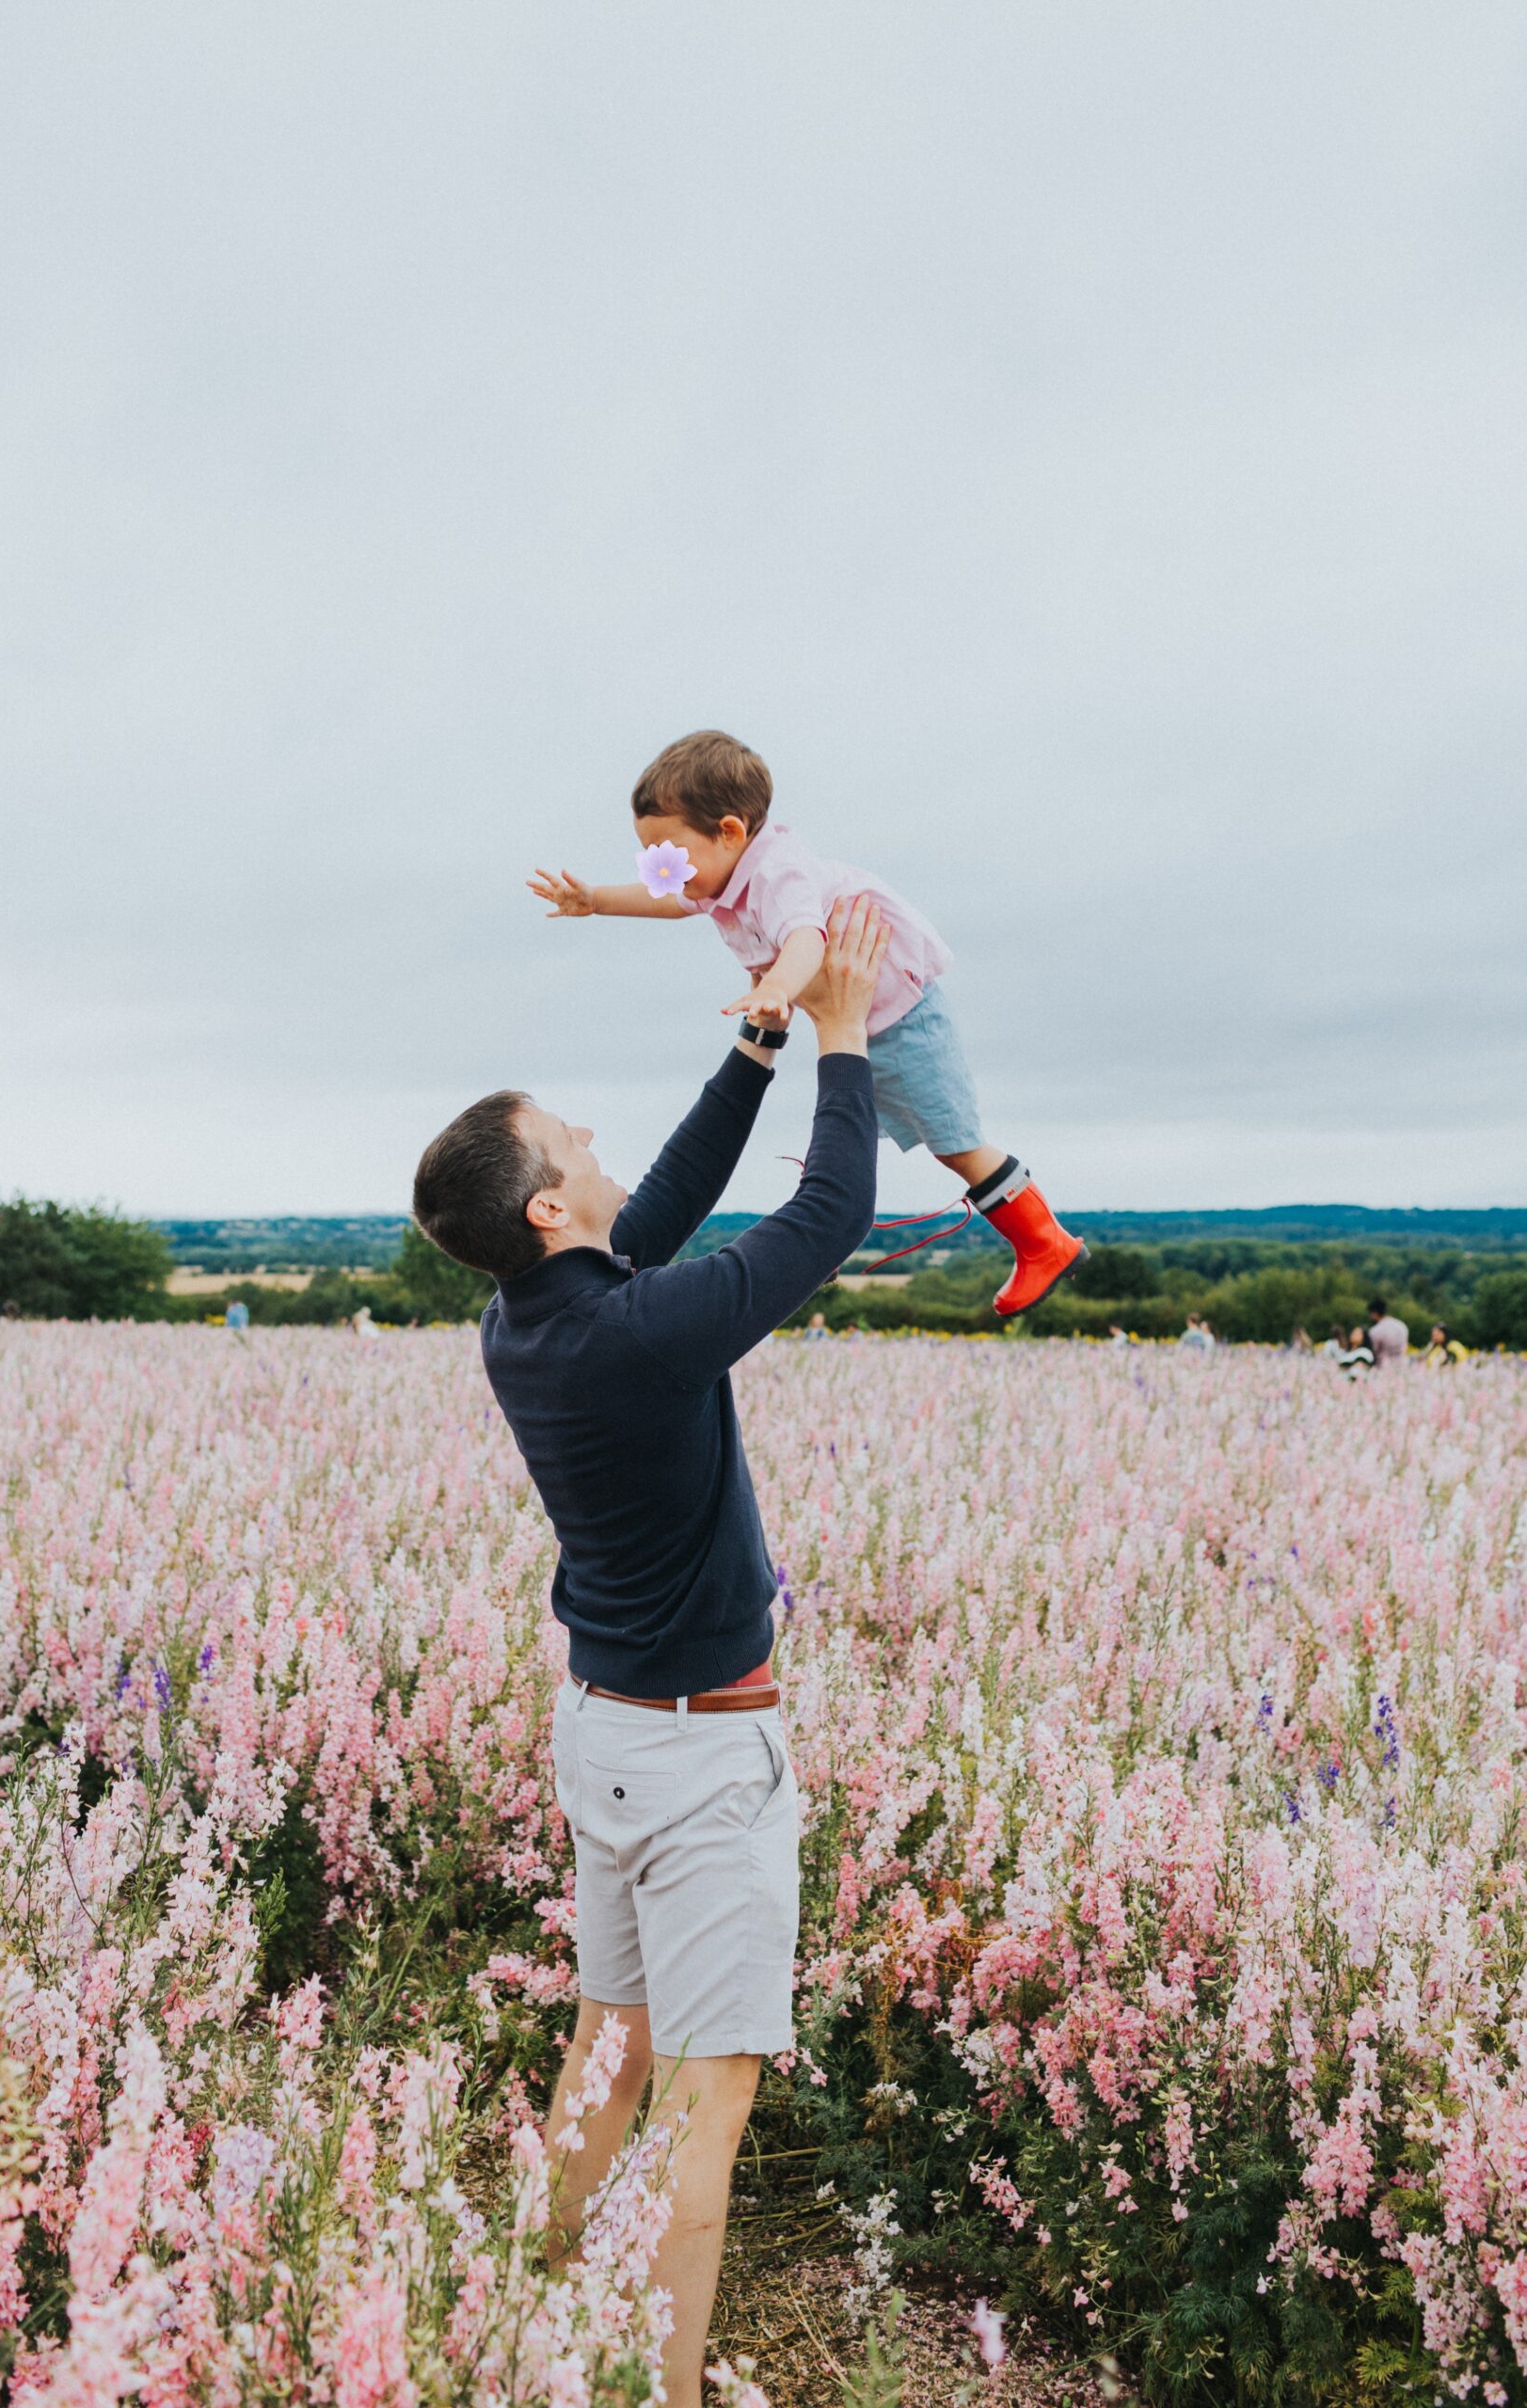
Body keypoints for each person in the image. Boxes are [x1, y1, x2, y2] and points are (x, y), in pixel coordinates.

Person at [411, 900, 889, 2408]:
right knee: (707, 2101)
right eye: (570, 1139)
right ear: (548, 1207)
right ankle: (658, 2394)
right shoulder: (628, 1336)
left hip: (608, 1739)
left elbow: (660, 1209)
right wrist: (842, 1035)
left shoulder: (528, 1320)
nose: (596, 1139)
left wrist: (752, 1033)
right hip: (695, 1759)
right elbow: (824, 1221)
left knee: (608, 2044)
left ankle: (537, 2319)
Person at [528, 728, 1088, 1319]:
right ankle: (817, 1251)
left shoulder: (776, 874)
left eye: (669, 855)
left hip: (905, 1018)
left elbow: (806, 937)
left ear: (730, 831)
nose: (662, 871)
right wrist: (595, 900)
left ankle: (1044, 1243)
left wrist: (775, 986)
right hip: (860, 1023)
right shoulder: (720, 874)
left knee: (955, 1145)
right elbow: (670, 902)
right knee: (842, 1141)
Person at [1367, 1297, 1408, 1370]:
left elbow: (1374, 1352)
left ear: (1374, 1313)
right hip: (1402, 1365)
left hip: (1383, 1367)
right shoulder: (1401, 1325)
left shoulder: (1375, 1331)